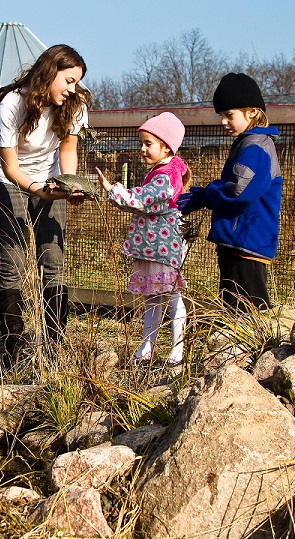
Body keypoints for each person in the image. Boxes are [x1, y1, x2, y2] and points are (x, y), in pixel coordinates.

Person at [0, 45, 92, 366]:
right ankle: (14, 349)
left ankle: (54, 348)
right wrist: (37, 191)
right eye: (69, 80)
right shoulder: (13, 104)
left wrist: (69, 183)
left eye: (77, 82)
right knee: (12, 260)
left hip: (50, 181)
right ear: (49, 72)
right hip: (6, 182)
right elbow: (10, 166)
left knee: (52, 257)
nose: (73, 89)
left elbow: (68, 149)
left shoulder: (76, 104)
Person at [178, 72, 282, 312]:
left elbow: (239, 192)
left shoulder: (256, 147)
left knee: (247, 309)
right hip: (238, 242)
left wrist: (208, 193)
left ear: (252, 112)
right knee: (234, 305)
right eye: (221, 115)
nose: (223, 121)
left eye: (229, 115)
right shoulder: (249, 143)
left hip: (246, 243)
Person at [96, 112, 190, 365]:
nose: (142, 149)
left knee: (170, 296)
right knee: (152, 297)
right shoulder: (160, 171)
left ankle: (177, 348)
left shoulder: (167, 175)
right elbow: (141, 202)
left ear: (166, 146)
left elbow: (142, 199)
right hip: (152, 248)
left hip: (162, 248)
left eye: (149, 144)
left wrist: (113, 190)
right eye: (142, 143)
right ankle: (147, 347)